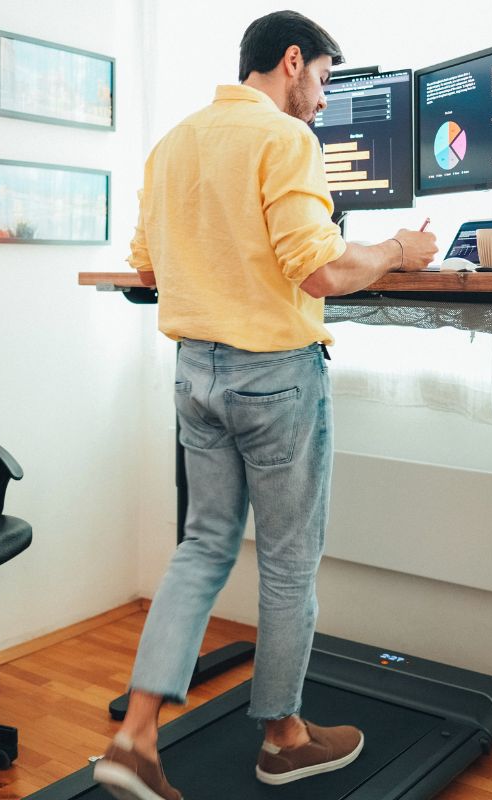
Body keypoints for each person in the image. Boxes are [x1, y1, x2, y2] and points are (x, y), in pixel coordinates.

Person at [93, 10, 438, 800]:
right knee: (286, 559)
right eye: (321, 79)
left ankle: (136, 736)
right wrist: (398, 252)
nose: (321, 100)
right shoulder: (286, 141)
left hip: (195, 374)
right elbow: (318, 272)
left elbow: (144, 269)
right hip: (274, 375)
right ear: (292, 62)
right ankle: (283, 737)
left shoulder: (173, 142)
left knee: (203, 545)